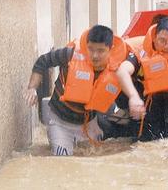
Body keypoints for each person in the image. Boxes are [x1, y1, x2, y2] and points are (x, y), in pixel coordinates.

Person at [24, 25, 128, 156]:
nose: (95, 56)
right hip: (60, 122)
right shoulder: (70, 54)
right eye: (91, 49)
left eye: (101, 51)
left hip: (89, 124)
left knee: (97, 159)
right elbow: (42, 62)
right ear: (86, 45)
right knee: (63, 160)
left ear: (110, 49)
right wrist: (32, 88)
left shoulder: (119, 69)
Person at [115, 17, 168, 141]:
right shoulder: (141, 55)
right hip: (143, 110)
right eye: (162, 40)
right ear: (154, 38)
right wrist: (133, 97)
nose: (166, 46)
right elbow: (122, 71)